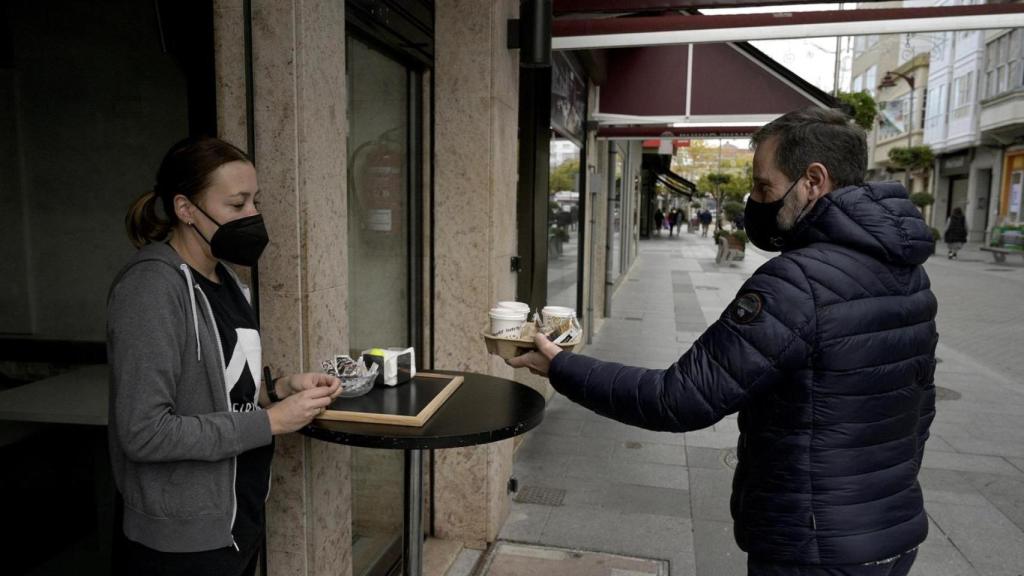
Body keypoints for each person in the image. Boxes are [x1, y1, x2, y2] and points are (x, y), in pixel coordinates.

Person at [509, 108, 937, 576]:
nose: (756, 201)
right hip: (891, 535)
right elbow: (920, 408)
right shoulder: (908, 274)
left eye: (764, 187)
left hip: (813, 548)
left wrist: (560, 366)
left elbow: (678, 399)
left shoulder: (797, 283)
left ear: (814, 181)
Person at [110, 136, 342, 576]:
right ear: (185, 208)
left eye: (255, 201)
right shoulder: (150, 289)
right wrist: (270, 422)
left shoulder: (228, 281)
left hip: (237, 517)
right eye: (237, 204)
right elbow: (143, 432)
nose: (252, 216)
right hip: (181, 542)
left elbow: (221, 393)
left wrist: (278, 390)